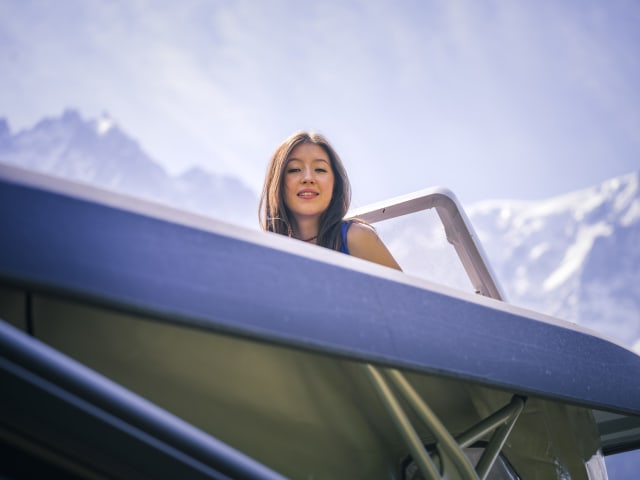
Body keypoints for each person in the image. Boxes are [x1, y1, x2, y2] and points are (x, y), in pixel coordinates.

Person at [259, 131, 401, 271]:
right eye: (295, 169)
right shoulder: (265, 253)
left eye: (320, 169)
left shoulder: (357, 237)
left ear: (335, 184)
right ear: (277, 184)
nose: (308, 178)